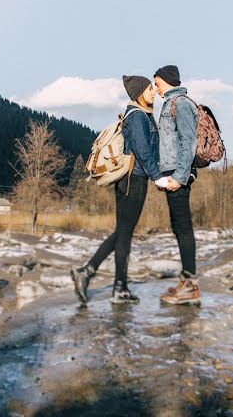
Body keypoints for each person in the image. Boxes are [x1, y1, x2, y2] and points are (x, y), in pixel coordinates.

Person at [71, 75, 162, 304]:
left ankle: (113, 285)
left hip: (128, 180)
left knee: (123, 233)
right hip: (134, 180)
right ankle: (92, 274)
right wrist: (158, 176)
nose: (153, 93)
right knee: (123, 233)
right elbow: (142, 150)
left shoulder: (136, 115)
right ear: (140, 93)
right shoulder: (139, 117)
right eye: (150, 89)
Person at [153, 65, 201, 305]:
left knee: (183, 227)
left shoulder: (180, 103)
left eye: (157, 82)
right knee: (178, 226)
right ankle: (186, 280)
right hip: (172, 172)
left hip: (178, 174)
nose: (155, 87)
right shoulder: (171, 103)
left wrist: (179, 177)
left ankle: (191, 286)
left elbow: (188, 141)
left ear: (167, 80)